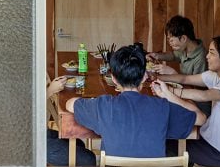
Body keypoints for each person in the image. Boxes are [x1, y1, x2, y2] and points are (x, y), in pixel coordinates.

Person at [65, 44, 200, 158]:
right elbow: (201, 118)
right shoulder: (162, 107)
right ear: (144, 77)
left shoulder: (103, 106)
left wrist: (91, 102)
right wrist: (169, 95)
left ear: (114, 79)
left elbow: (69, 104)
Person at [157, 35, 220, 167]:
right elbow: (185, 79)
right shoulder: (217, 76)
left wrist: (170, 92)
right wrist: (157, 77)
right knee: (172, 139)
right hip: (213, 145)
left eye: (212, 53)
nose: (207, 56)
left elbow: (204, 95)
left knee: (165, 142)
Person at [46, 76, 96, 167]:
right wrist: (50, 90)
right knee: (89, 159)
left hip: (41, 133)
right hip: (31, 143)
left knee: (79, 143)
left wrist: (51, 87)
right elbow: (26, 108)